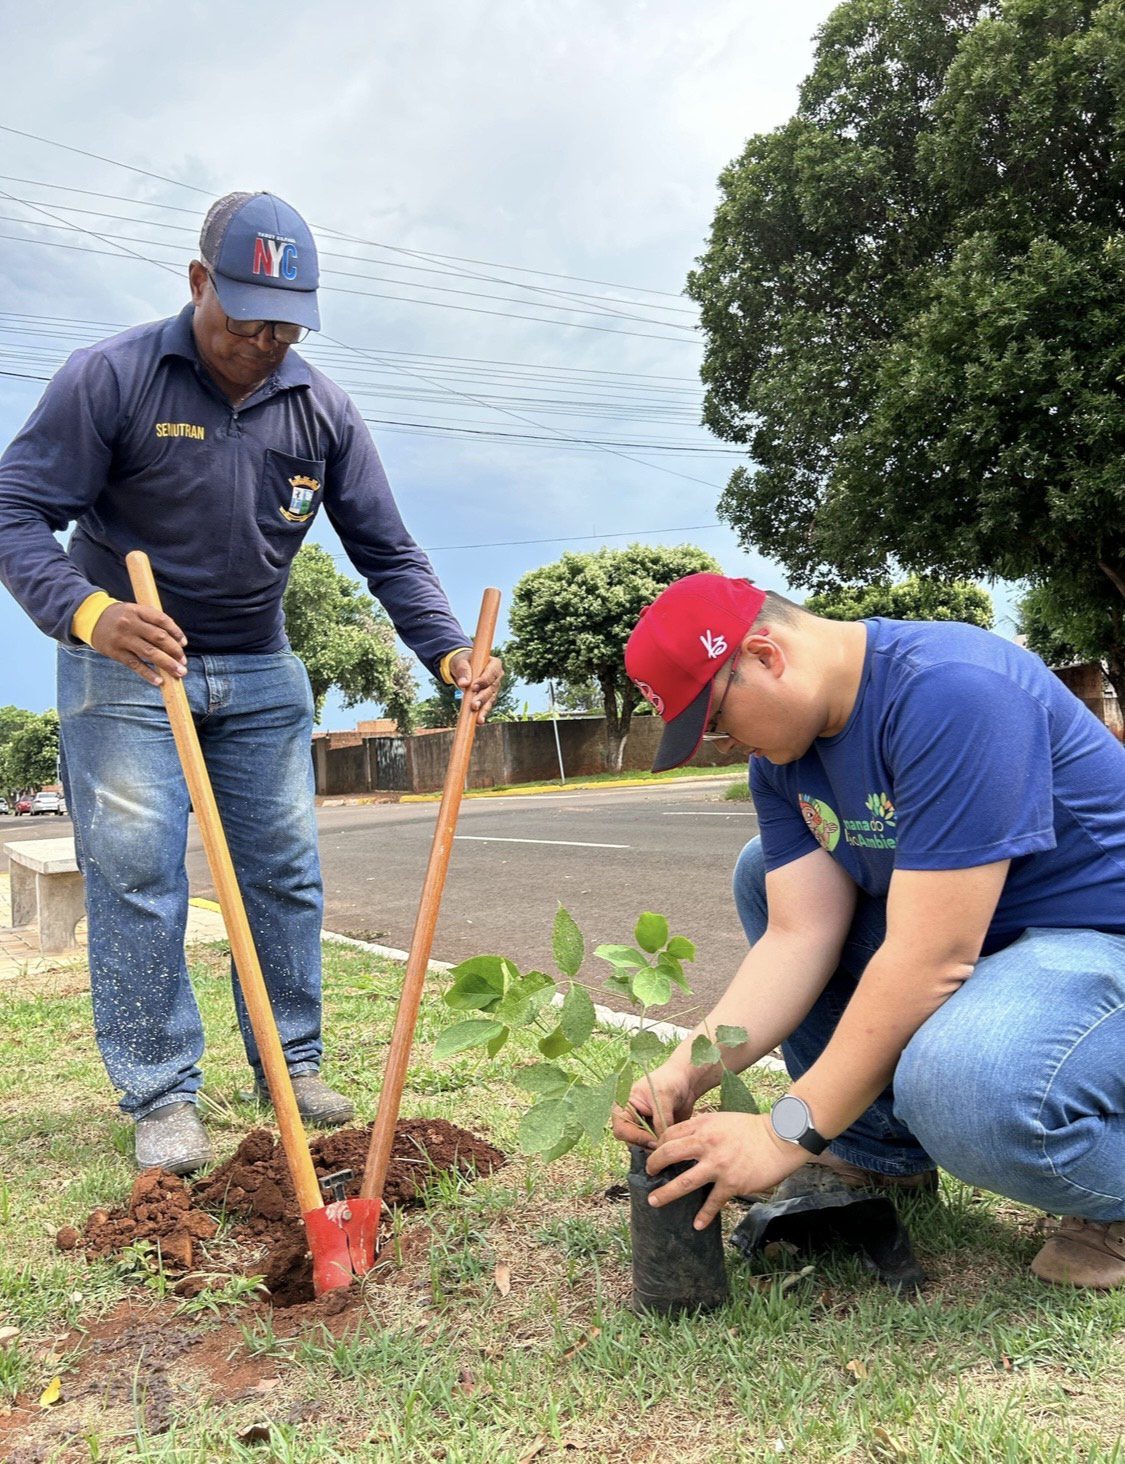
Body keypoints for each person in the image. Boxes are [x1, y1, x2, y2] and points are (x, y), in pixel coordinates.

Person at [0, 191, 502, 1175]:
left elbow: (387, 552)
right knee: (140, 876)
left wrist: (446, 648)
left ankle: (293, 1067)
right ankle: (159, 1095)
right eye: (244, 320)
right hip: (126, 664)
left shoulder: (319, 412)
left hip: (261, 669)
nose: (263, 343)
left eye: (285, 326)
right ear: (199, 286)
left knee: (282, 875)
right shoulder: (111, 379)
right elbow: (15, 511)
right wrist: (92, 614)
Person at [613, 572, 1125, 1289]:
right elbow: (797, 936)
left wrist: (782, 1130)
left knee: (960, 1084)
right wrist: (686, 1067)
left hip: (1097, 935)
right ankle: (874, 1151)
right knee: (764, 870)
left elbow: (929, 959)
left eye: (720, 721)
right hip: (990, 939)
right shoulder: (785, 762)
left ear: (765, 655)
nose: (729, 746)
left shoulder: (951, 690)